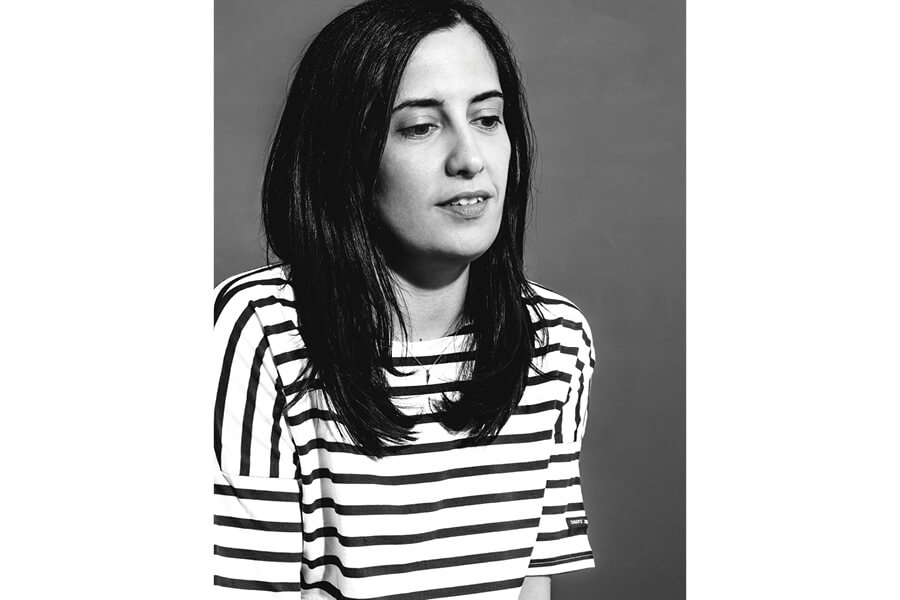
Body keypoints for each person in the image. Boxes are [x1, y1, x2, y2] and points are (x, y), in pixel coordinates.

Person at [213, 0, 595, 597]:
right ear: (346, 156)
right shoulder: (261, 330)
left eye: (488, 118)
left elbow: (529, 586)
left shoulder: (555, 338)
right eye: (420, 127)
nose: (470, 159)